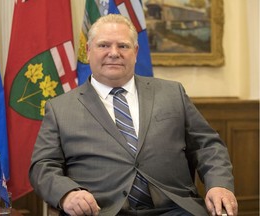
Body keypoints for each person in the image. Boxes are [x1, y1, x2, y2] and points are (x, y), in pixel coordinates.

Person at [29, 14, 238, 216]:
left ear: (136, 52)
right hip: (101, 211)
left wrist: (219, 185)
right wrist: (67, 194)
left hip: (175, 208)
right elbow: (43, 166)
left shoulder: (172, 93)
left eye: (123, 46)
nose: (114, 53)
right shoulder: (60, 108)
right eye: (103, 45)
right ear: (88, 50)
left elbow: (207, 146)